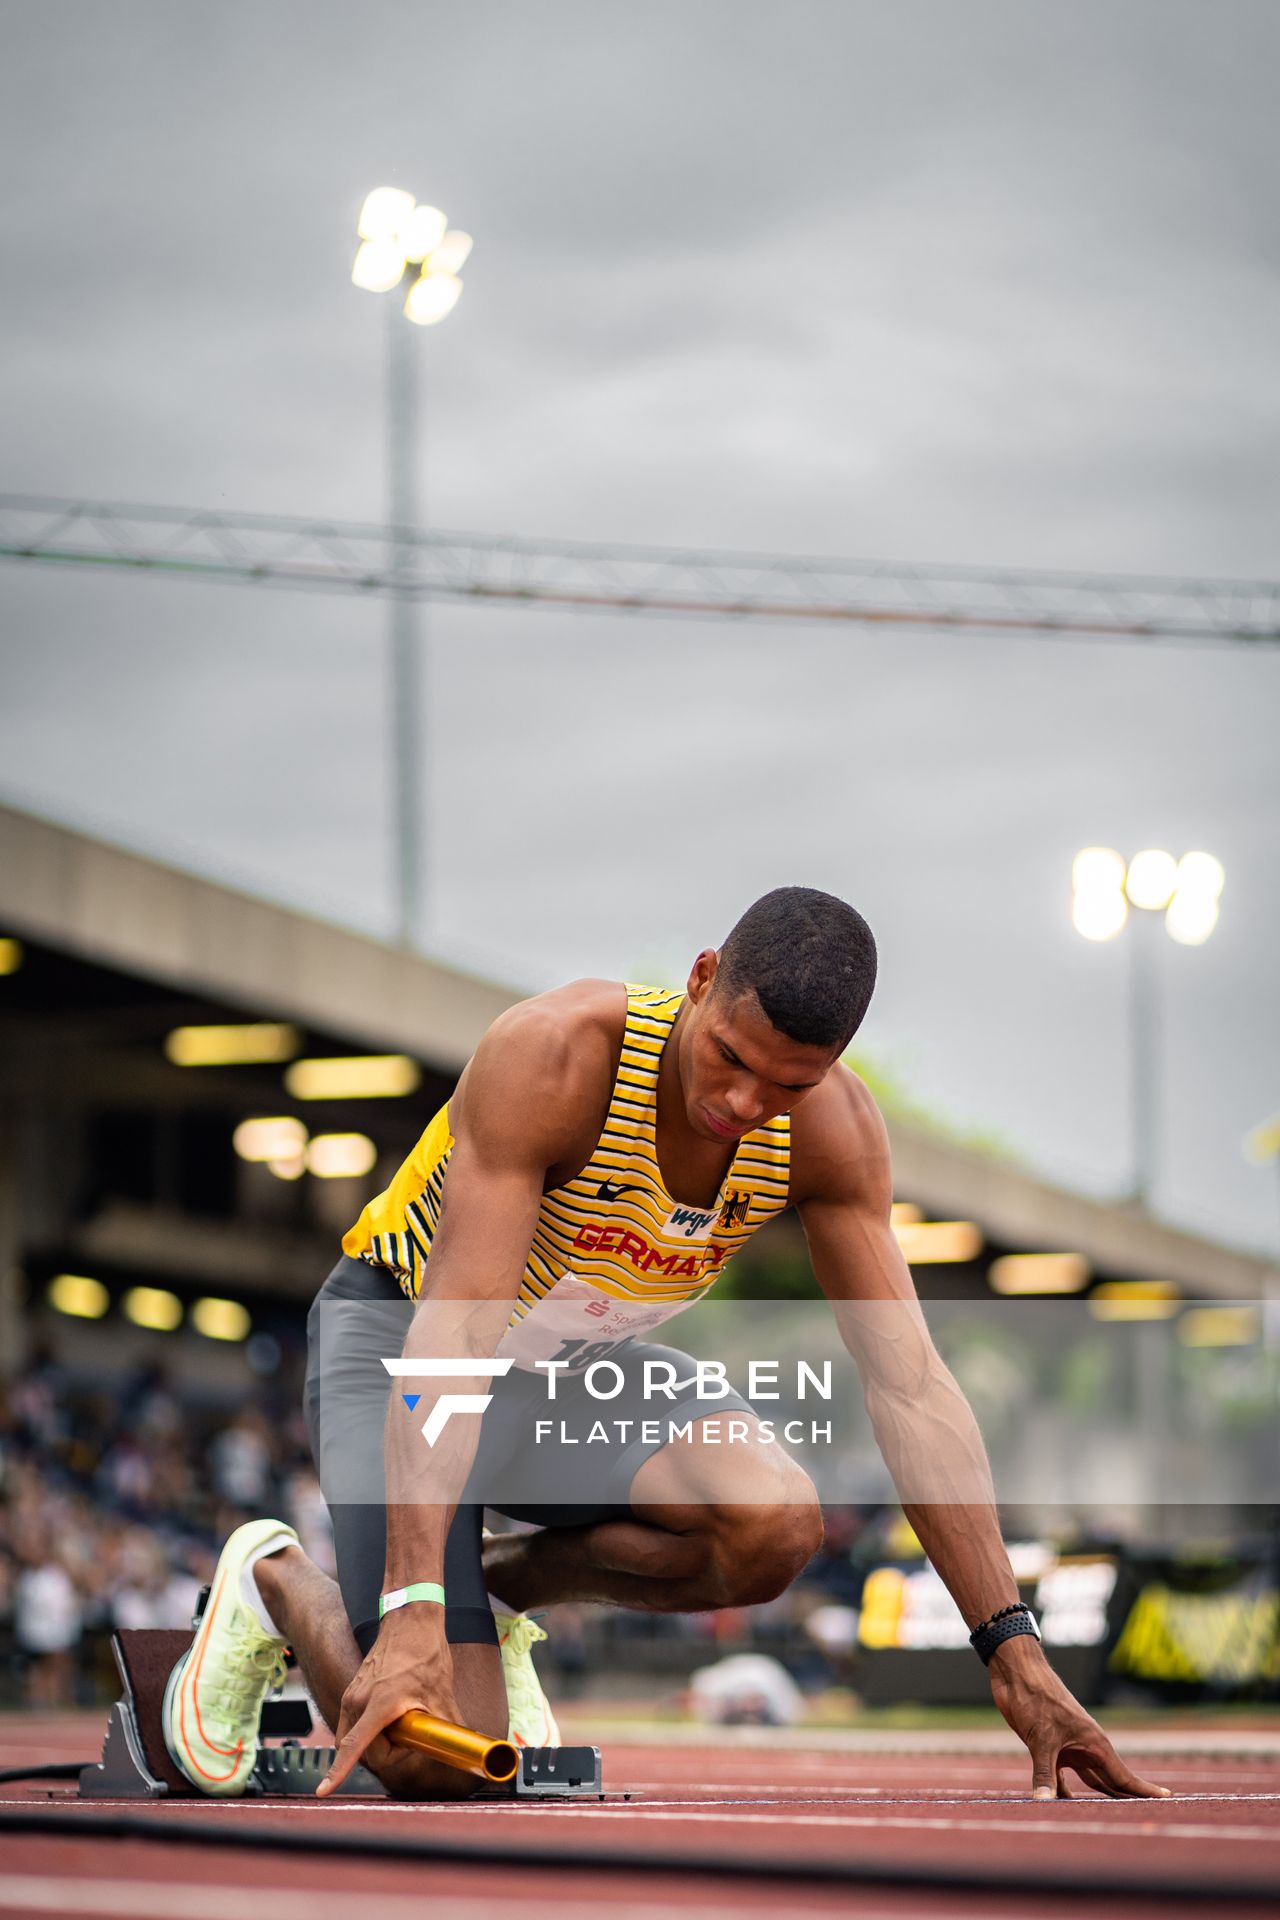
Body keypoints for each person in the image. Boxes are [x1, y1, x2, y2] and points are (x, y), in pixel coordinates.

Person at [161, 887, 1169, 1803]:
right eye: (729, 1057)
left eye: (783, 1087)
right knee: (437, 1756)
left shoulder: (831, 1132)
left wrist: (1010, 1646)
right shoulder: (554, 1057)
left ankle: (495, 1590)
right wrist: (417, 1602)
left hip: (567, 1373)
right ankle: (282, 1582)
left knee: (771, 1525)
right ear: (696, 983)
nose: (741, 1105)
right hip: (406, 1338)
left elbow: (909, 1388)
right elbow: (455, 1336)